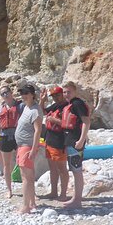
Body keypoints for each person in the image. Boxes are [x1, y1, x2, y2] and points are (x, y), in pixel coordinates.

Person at [60, 81, 91, 209]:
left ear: (75, 91)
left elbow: (86, 122)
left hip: (75, 141)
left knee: (77, 170)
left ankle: (77, 200)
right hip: (70, 140)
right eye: (64, 92)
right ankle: (75, 198)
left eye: (69, 92)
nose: (66, 94)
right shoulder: (71, 104)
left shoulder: (77, 104)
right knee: (73, 169)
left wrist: (81, 139)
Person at [14, 84, 42, 214]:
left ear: (32, 94)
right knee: (28, 177)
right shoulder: (27, 107)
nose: (23, 96)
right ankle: (31, 203)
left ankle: (25, 206)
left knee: (25, 177)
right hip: (22, 146)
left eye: (26, 93)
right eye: (22, 94)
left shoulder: (35, 110)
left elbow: (38, 131)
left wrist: (34, 149)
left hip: (27, 147)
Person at [39, 86, 69, 201]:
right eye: (54, 96)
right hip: (49, 138)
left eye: (57, 95)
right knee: (52, 168)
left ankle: (63, 194)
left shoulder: (67, 107)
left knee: (62, 168)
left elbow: (70, 123)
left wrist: (54, 120)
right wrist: (42, 100)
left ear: (62, 94)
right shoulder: (56, 106)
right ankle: (54, 192)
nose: (56, 98)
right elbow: (43, 111)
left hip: (60, 140)